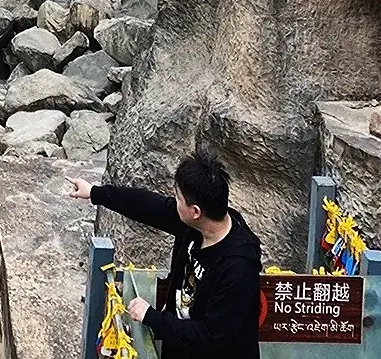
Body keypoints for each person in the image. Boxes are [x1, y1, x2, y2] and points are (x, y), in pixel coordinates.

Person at [68, 151, 262, 359]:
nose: (174, 202)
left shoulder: (238, 270)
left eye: (178, 198)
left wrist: (152, 317)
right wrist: (95, 193)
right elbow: (147, 205)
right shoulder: (198, 225)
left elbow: (209, 336)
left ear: (195, 211)